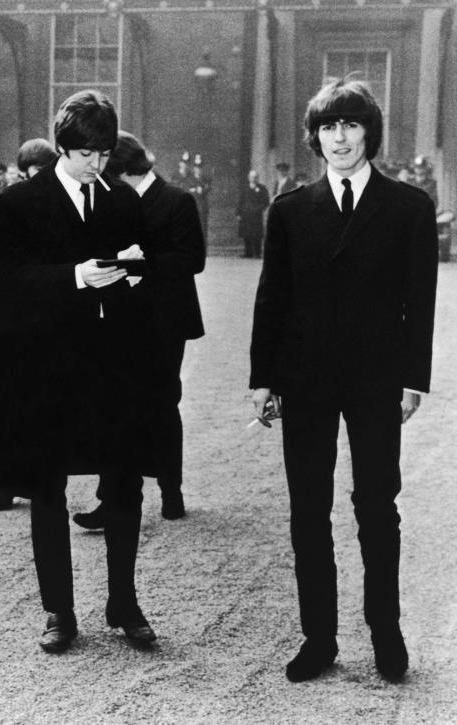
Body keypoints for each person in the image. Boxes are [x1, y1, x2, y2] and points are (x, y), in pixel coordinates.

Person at [249, 77, 438, 683]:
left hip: (377, 378)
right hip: (304, 379)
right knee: (309, 510)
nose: (340, 137)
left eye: (351, 125)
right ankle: (319, 638)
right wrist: (263, 377)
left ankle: (387, 634)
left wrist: (414, 377)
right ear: (315, 138)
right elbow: (271, 298)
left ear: (369, 134)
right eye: (329, 127)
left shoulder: (409, 208)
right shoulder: (289, 211)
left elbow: (421, 300)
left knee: (377, 506)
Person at [0, 89, 158, 653]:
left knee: (124, 484)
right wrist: (75, 278)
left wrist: (135, 274)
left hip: (110, 366)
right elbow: (5, 284)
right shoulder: (17, 205)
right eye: (86, 154)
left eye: (105, 153)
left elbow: (144, 265)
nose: (98, 165)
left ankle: (123, 603)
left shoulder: (123, 201)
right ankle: (59, 611)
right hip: (44, 367)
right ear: (61, 147)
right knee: (46, 488)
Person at [73, 131, 205, 529]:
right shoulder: (111, 201)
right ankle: (112, 499)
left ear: (124, 170)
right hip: (120, 319)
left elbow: (192, 260)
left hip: (166, 323)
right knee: (114, 408)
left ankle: (171, 490)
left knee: (162, 405)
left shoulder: (177, 200)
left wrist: (138, 264)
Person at [0, 137, 59, 513]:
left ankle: (38, 479)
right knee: (10, 405)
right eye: (32, 172)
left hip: (53, 314)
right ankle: (8, 482)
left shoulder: (64, 204)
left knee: (44, 405)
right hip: (16, 317)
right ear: (22, 172)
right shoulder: (8, 205)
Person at [237, 169, 270, 258]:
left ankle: (257, 253)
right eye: (252, 177)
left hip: (256, 216)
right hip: (246, 215)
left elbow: (266, 202)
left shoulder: (262, 189)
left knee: (257, 234)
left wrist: (258, 209)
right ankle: (248, 253)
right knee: (246, 234)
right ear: (249, 178)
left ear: (257, 178)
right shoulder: (245, 188)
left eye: (255, 177)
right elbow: (240, 201)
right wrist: (238, 213)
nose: (253, 179)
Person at [189, 154, 211, 247]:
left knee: (203, 227)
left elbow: (209, 187)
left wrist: (203, 190)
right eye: (196, 167)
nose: (198, 169)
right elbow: (186, 189)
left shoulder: (205, 179)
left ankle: (203, 248)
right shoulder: (190, 178)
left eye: (200, 167)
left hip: (202, 206)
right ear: (193, 167)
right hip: (192, 206)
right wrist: (194, 190)